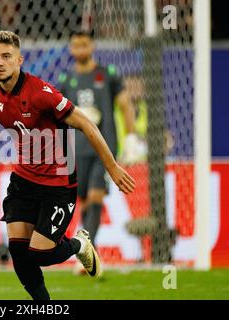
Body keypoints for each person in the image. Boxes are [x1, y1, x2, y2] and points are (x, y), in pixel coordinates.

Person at [0, 30, 135, 300]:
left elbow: (86, 124)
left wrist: (113, 167)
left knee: (41, 254)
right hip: (24, 180)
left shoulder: (40, 93)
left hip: (57, 183)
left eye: (6, 56)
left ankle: (79, 244)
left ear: (19, 60)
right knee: (18, 250)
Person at [57, 31, 142, 275]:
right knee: (83, 200)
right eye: (75, 45)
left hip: (103, 149)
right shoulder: (67, 78)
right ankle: (89, 250)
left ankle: (85, 252)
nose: (80, 49)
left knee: (96, 196)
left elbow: (125, 104)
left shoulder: (108, 74)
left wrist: (132, 135)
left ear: (92, 46)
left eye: (84, 44)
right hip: (76, 149)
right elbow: (58, 113)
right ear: (71, 49)